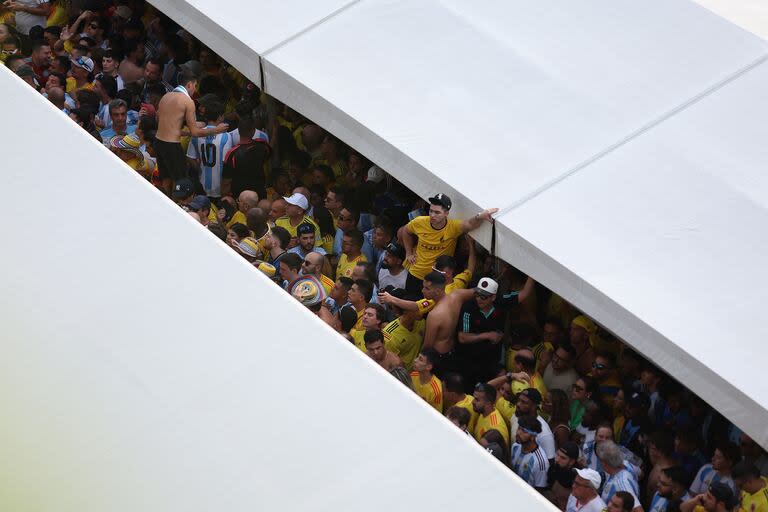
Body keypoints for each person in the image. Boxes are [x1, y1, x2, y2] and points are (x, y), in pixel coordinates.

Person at [155, 60, 228, 194]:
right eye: (195, 86)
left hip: (159, 142)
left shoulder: (166, 96)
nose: (195, 89)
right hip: (172, 145)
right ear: (189, 84)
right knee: (180, 182)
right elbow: (195, 132)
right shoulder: (187, 101)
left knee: (166, 179)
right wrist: (216, 130)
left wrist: (188, 130)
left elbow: (163, 124)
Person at [401, 192, 497, 293]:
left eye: (437, 212)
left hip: (438, 280)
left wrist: (480, 216)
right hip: (416, 273)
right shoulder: (419, 222)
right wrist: (409, 252)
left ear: (446, 213)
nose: (432, 215)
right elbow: (405, 231)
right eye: (431, 211)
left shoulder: (453, 227)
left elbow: (469, 224)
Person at [457, 276, 535, 387]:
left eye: (483, 297)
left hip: (492, 360)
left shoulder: (501, 302)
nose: (478, 299)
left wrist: (534, 271)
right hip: (470, 360)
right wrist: (487, 335)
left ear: (493, 297)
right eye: (477, 294)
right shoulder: (469, 307)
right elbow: (462, 337)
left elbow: (525, 293)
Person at [186, 98, 232, 199]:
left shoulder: (197, 134)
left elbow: (190, 157)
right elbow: (226, 163)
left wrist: (200, 168)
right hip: (219, 188)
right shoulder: (226, 136)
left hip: (201, 186)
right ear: (220, 117)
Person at [598, 440, 642, 512]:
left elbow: (638, 510)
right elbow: (641, 474)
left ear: (604, 463)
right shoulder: (626, 463)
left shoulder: (622, 483)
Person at [510, 415, 549, 490]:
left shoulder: (540, 462)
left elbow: (539, 490)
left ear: (533, 436)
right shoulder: (515, 446)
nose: (518, 433)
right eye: (519, 428)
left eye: (524, 431)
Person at [546, 442, 580, 510]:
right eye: (557, 455)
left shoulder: (577, 480)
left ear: (572, 462)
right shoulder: (554, 467)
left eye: (563, 458)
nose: (557, 459)